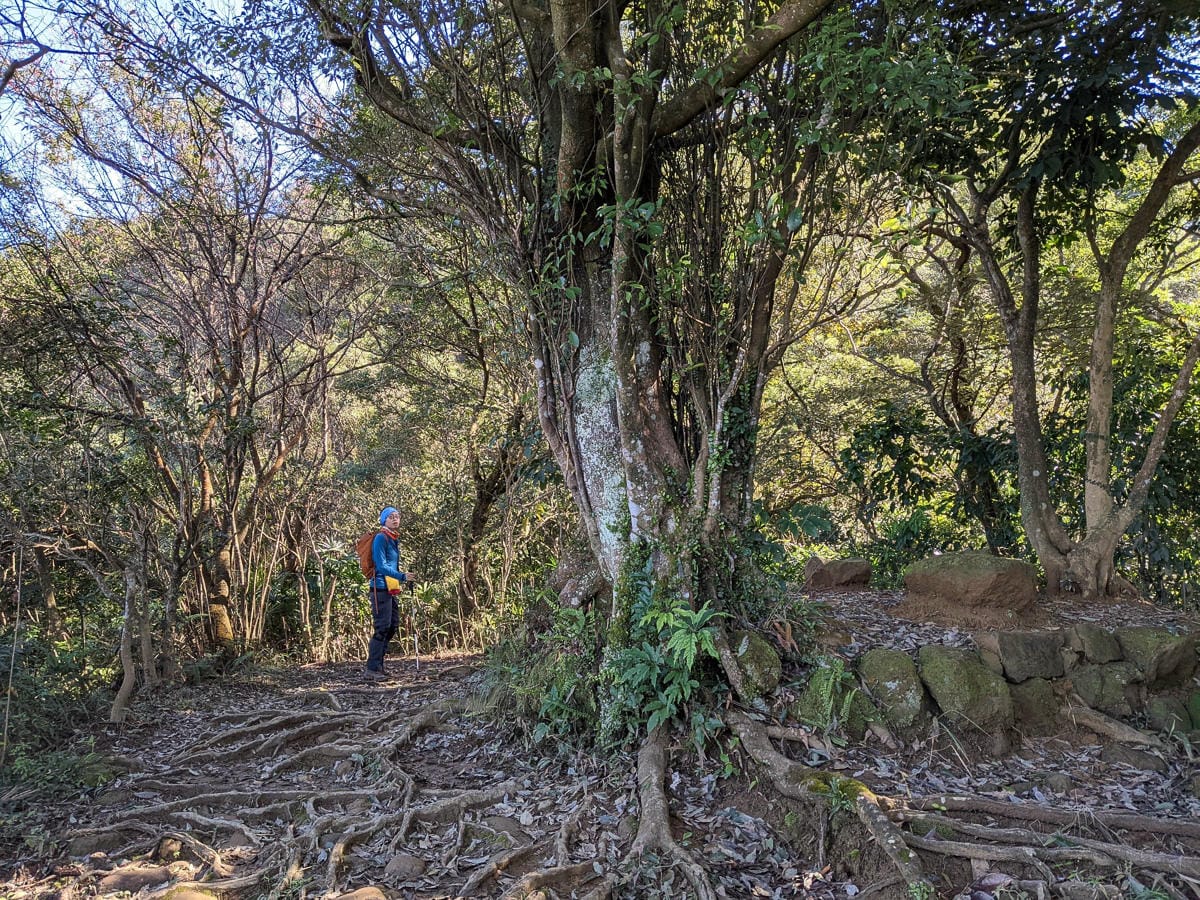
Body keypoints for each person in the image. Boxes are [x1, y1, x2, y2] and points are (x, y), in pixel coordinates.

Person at [366, 506, 410, 679]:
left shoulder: (393, 538)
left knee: (392, 625)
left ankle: (379, 666)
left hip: (391, 588)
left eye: (397, 516)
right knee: (381, 627)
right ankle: (372, 669)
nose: (395, 519)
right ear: (384, 520)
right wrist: (402, 576)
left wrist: (401, 579)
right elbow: (382, 566)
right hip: (379, 588)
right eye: (391, 517)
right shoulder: (380, 538)